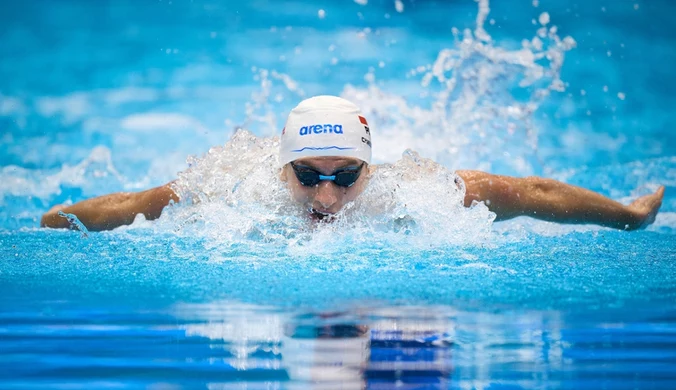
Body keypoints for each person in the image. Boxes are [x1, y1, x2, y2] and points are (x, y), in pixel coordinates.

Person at [40, 95, 664, 232]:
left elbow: (531, 191)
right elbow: (132, 205)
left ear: (370, 170)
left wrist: (628, 217)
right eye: (308, 175)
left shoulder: (410, 194)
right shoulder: (236, 191)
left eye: (346, 176)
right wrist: (57, 220)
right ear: (282, 167)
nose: (327, 197)